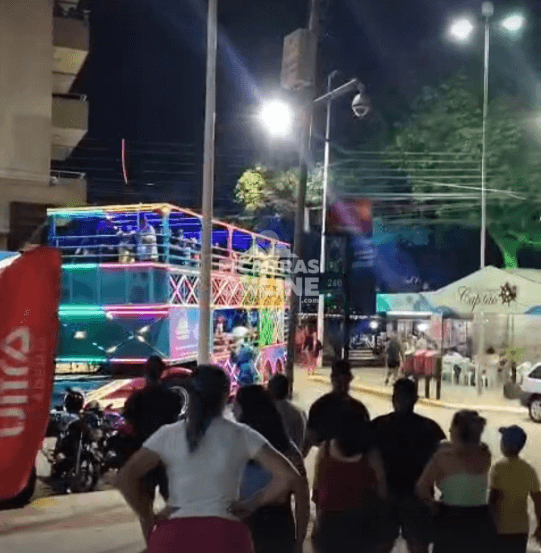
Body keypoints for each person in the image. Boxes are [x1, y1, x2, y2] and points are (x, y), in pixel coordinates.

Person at [116, 365, 309, 553]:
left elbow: (125, 478)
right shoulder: (241, 434)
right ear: (225, 397)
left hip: (172, 536)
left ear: (190, 395)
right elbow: (289, 477)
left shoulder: (167, 434)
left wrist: (148, 517)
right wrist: (252, 504)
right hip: (225, 536)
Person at [373, 378, 446, 553]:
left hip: (386, 494)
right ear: (416, 399)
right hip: (418, 496)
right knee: (418, 546)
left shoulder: (378, 425)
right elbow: (442, 465)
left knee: (381, 545)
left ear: (393, 399)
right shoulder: (431, 429)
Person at [235, 385, 309, 553]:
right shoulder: (289, 450)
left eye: (237, 406)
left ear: (247, 411)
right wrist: (299, 541)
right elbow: (302, 500)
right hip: (280, 528)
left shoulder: (238, 448)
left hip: (246, 526)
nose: (233, 410)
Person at [416, 410, 495, 553]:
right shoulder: (484, 455)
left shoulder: (442, 458)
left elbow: (421, 488)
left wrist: (434, 505)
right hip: (479, 520)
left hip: (450, 519)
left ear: (457, 431)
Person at [312, 407, 387, 553]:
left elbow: (318, 488)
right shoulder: (370, 455)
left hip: (329, 521)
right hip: (361, 521)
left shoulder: (325, 449)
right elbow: (382, 490)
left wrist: (318, 521)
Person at [122, 356, 182, 501]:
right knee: (171, 498)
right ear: (162, 373)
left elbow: (128, 422)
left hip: (145, 451)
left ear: (145, 372)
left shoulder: (137, 398)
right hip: (166, 453)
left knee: (146, 499)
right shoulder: (172, 397)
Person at [302, 359, 369, 458]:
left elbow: (308, 442)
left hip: (326, 463)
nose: (342, 382)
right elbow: (367, 447)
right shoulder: (359, 409)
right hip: (351, 464)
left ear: (331, 378)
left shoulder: (319, 406)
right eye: (340, 379)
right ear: (351, 378)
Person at [489, 425, 541, 553]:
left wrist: (488, 524)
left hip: (500, 527)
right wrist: (540, 525)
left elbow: (494, 499)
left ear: (504, 445)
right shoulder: (528, 470)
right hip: (521, 529)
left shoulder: (498, 468)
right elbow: (538, 501)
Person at [268, 374, 306, 450]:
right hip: (295, 454)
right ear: (288, 391)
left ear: (270, 390)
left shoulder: (266, 412)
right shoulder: (300, 413)